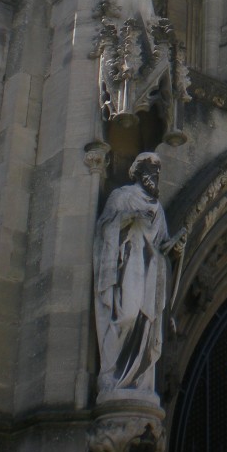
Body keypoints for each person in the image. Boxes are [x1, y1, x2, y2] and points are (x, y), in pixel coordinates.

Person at [93, 153, 186, 400]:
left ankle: (139, 381)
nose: (155, 175)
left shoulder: (157, 208)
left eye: (158, 170)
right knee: (126, 316)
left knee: (147, 325)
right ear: (140, 172)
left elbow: (162, 242)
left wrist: (175, 246)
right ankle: (110, 374)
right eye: (151, 169)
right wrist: (130, 217)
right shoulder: (122, 196)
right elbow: (105, 228)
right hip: (129, 263)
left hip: (151, 270)